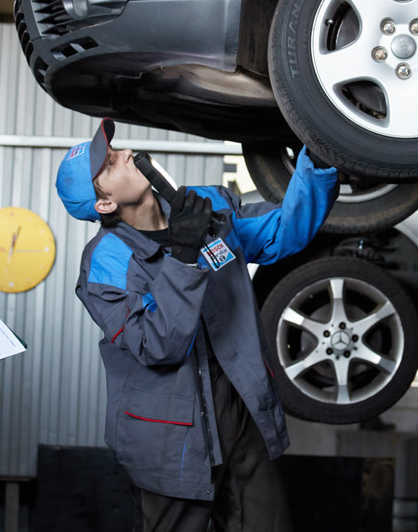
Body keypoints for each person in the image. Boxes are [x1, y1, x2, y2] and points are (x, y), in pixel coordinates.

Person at [56, 119, 338, 532]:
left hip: (241, 408)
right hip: (167, 436)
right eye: (110, 164)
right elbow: (158, 345)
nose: (126, 154)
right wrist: (184, 257)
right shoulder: (104, 265)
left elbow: (281, 232)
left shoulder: (205, 206)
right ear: (104, 204)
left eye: (115, 149)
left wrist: (321, 155)